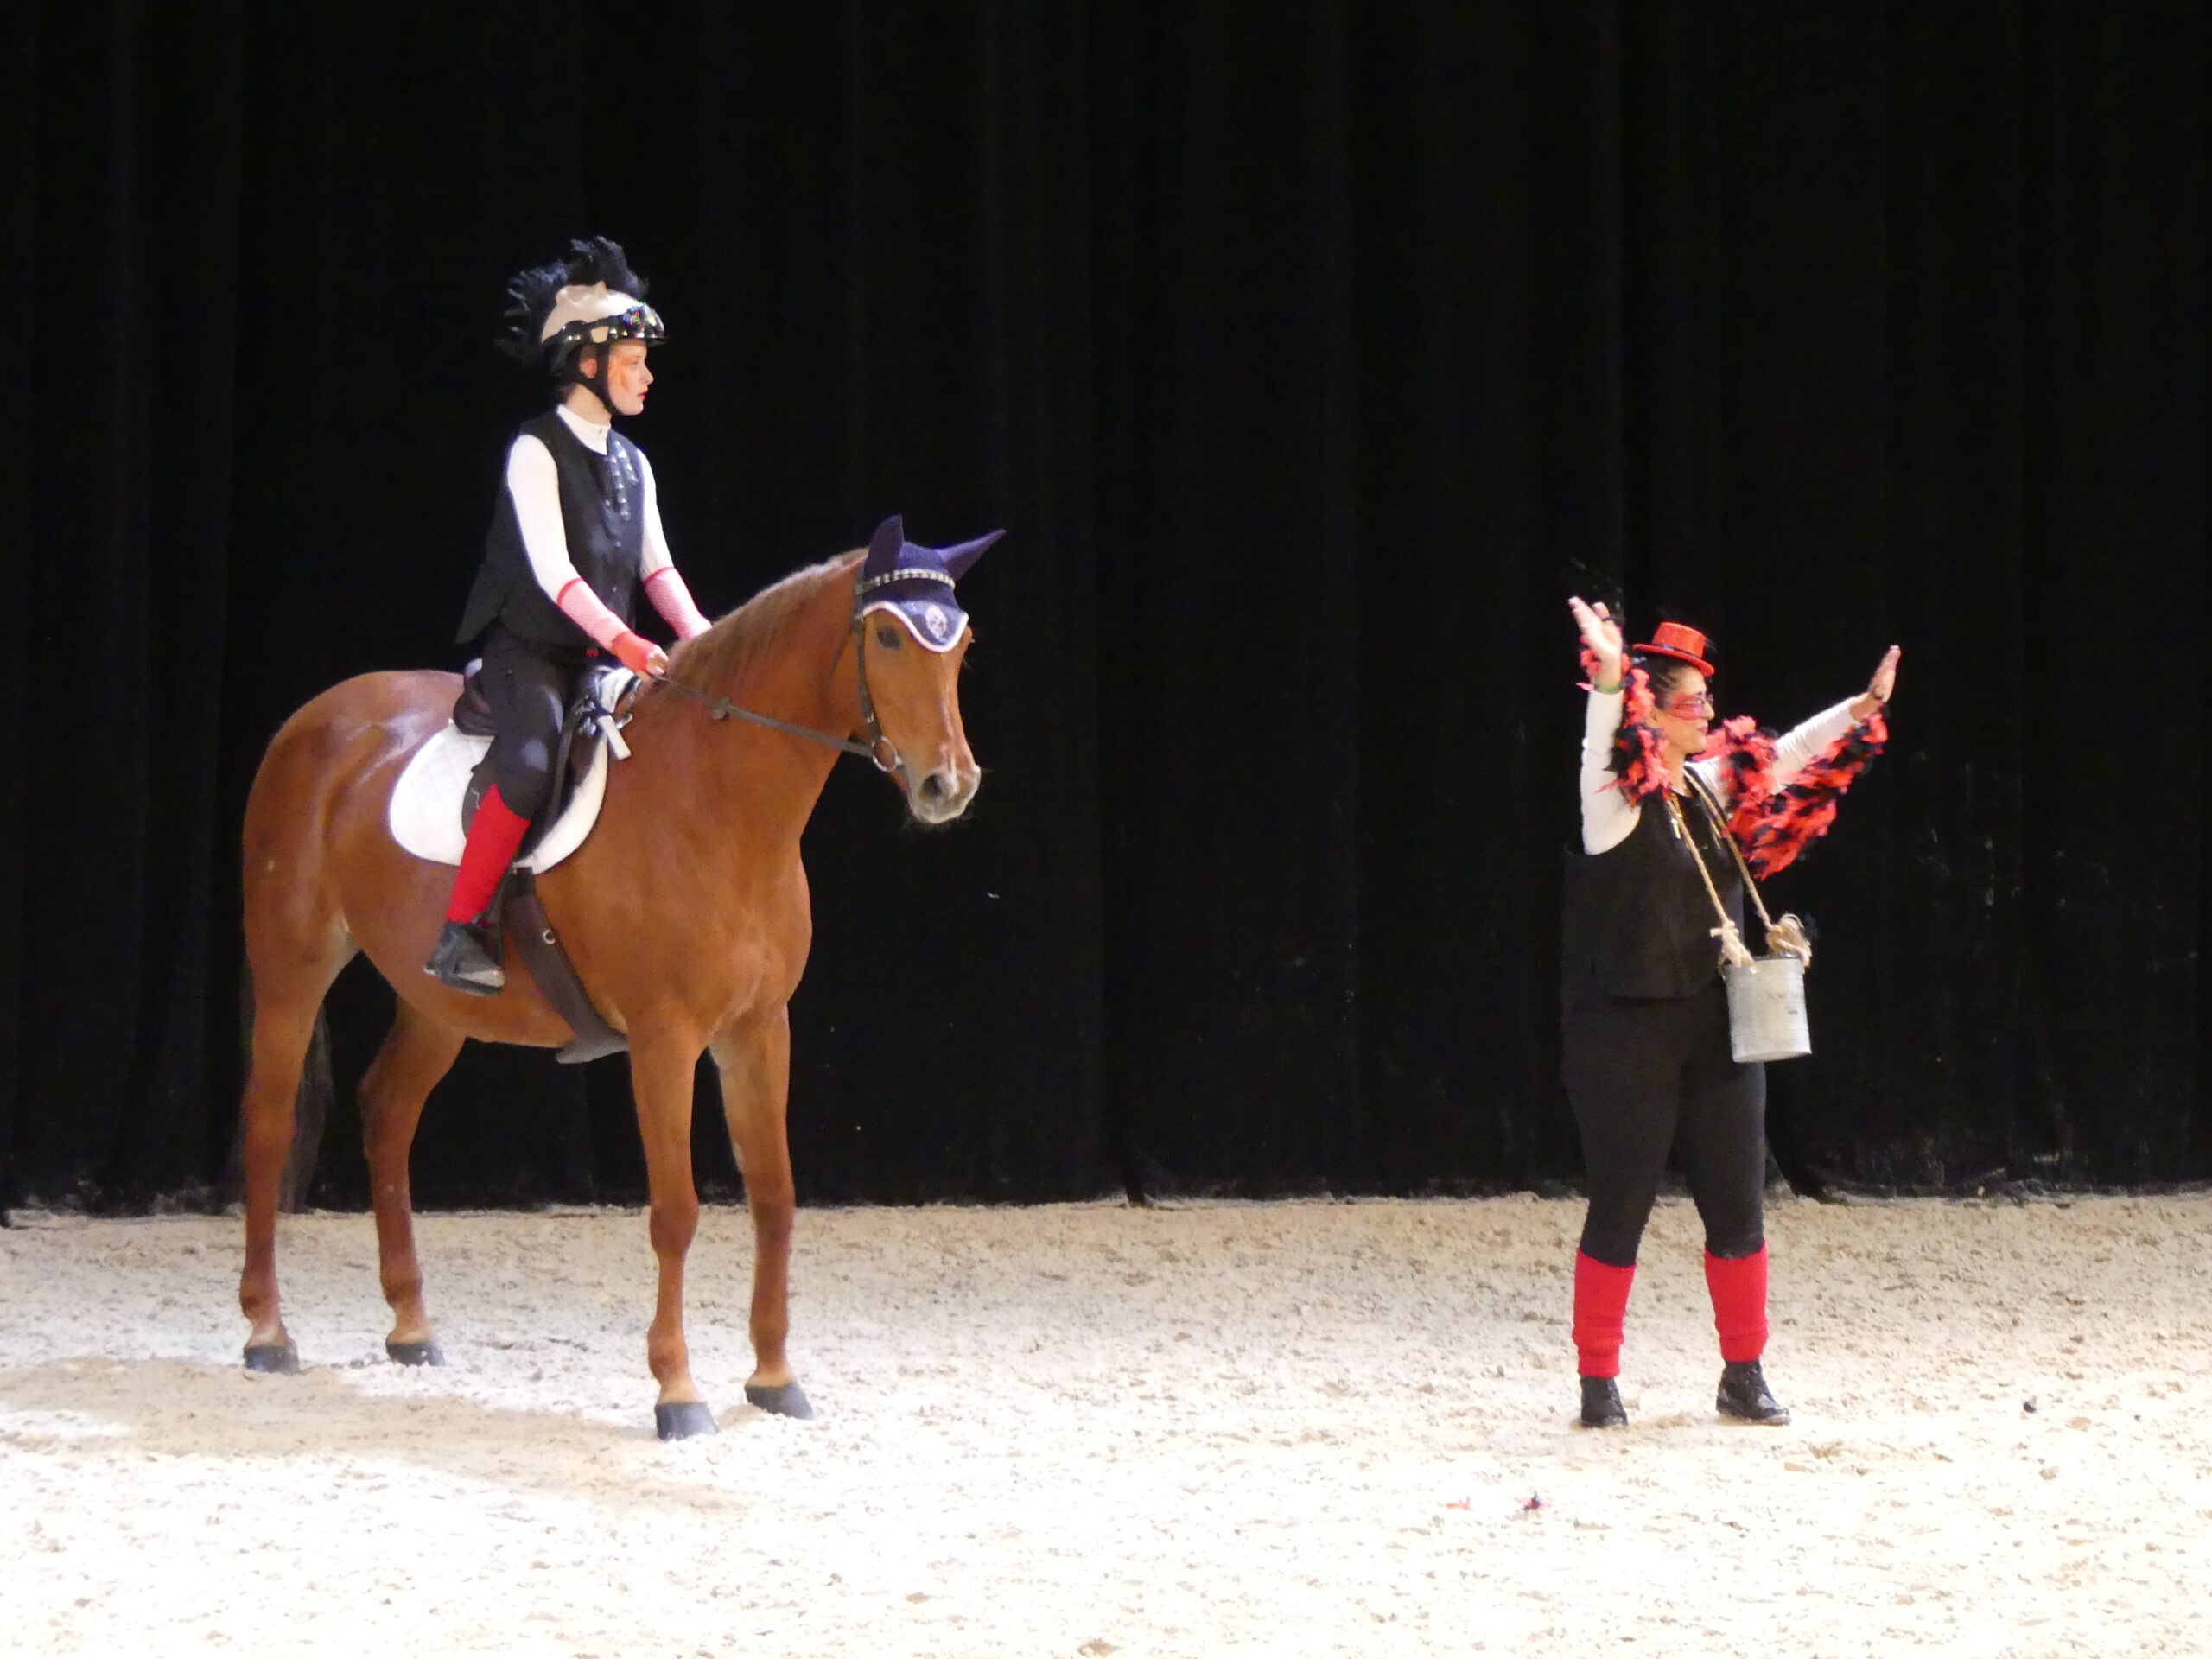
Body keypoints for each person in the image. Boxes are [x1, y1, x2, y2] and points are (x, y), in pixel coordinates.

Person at [1560, 598, 1898, 1428]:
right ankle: (1599, 1380)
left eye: (1708, 699)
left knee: (1738, 1201)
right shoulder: (1614, 805)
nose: (1709, 711)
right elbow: (1600, 742)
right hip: (1630, 1031)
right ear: (1656, 712)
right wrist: (1609, 678)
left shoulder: (1707, 790)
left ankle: (1743, 1373)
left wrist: (1856, 713)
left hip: (1718, 1026)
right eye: (1693, 700)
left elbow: (1783, 755)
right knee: (1622, 1203)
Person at [423, 237, 715, 995]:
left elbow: (657, 568)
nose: (648, 375)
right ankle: (463, 928)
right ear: (587, 362)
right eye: (632, 361)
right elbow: (553, 572)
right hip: (533, 651)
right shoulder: (534, 450)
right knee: (527, 765)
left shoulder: (634, 462)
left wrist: (706, 644)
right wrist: (627, 640)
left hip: (605, 658)